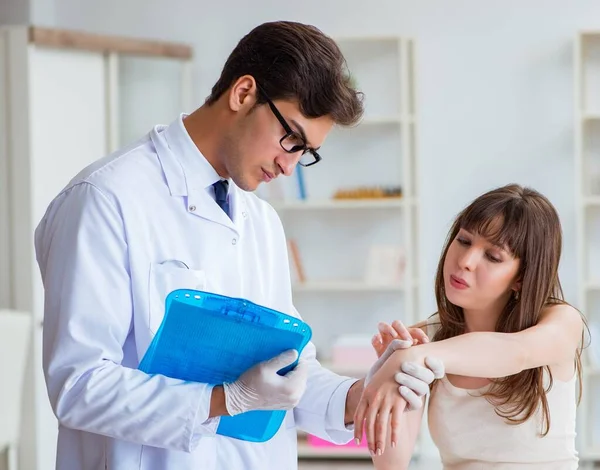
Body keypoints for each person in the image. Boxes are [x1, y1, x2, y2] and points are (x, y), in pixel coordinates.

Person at [33, 21, 443, 470]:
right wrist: (224, 400)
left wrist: (358, 395)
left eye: (306, 153)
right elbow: (78, 386)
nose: (290, 168)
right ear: (244, 93)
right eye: (292, 141)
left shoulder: (259, 220)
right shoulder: (105, 199)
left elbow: (288, 371)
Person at [354, 184, 585, 469]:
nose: (465, 261)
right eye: (464, 240)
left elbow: (515, 353)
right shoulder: (425, 341)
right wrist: (396, 379)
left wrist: (409, 358)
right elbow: (391, 465)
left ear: (521, 278)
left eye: (493, 256)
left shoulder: (560, 322)